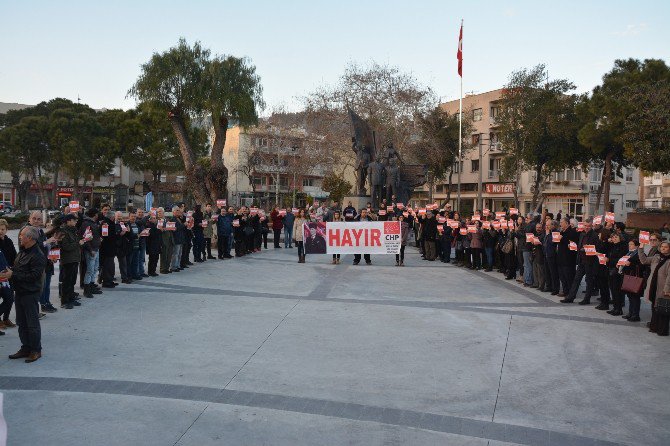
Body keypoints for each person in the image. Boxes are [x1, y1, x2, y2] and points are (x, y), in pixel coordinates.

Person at [1, 226, 47, 363]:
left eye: (22, 235)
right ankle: (25, 347)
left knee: (32, 323)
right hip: (20, 291)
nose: (19, 237)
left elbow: (34, 276)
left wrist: (13, 274)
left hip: (30, 293)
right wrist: (9, 272)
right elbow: (18, 268)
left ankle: (36, 350)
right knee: (21, 322)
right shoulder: (23, 252)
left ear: (30, 238)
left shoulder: (38, 255)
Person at [562, 218, 599, 304]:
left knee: (589, 281)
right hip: (582, 260)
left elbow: (596, 248)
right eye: (585, 226)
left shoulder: (594, 235)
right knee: (576, 279)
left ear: (592, 226)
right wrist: (575, 247)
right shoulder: (582, 234)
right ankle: (571, 297)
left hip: (590, 261)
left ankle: (587, 299)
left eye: (589, 226)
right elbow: (579, 245)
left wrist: (586, 249)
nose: (587, 227)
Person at [639, 240, 670, 336]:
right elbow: (643, 260)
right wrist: (641, 248)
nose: (663, 248)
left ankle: (662, 330)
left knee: (663, 309)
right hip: (653, 286)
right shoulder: (656, 257)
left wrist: (667, 289)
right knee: (654, 307)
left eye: (666, 247)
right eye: (662, 247)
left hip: (663, 288)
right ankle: (654, 326)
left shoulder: (669, 260)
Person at [58, 214, 85, 309]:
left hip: (74, 258)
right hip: (68, 260)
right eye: (74, 220)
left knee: (72, 280)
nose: (76, 222)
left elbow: (76, 242)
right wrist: (78, 243)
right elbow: (66, 247)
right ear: (68, 221)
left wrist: (82, 240)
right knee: (67, 281)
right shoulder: (63, 231)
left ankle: (71, 298)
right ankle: (64, 301)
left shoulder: (73, 230)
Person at [602, 232, 628, 313]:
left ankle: (618, 309)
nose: (614, 239)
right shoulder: (612, 246)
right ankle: (615, 308)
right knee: (613, 290)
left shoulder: (623, 246)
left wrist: (609, 260)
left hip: (617, 271)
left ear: (620, 238)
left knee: (617, 290)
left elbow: (620, 259)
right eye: (613, 237)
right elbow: (604, 248)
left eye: (616, 237)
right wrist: (607, 241)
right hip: (611, 269)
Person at [0, 218, 17, 331]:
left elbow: (14, 256)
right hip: (0, 275)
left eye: (2, 229)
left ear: (6, 230)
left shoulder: (9, 241)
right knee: (7, 297)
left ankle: (5, 318)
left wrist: (13, 269)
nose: (0, 231)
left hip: (9, 273)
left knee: (10, 298)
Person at [621, 239, 642, 321]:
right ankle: (630, 313)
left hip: (635, 276)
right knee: (630, 295)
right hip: (629, 275)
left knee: (635, 296)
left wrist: (631, 263)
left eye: (632, 244)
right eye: (629, 244)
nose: (630, 246)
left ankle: (635, 315)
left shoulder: (639, 253)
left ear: (637, 246)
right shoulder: (629, 253)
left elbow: (641, 264)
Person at [99, 210, 119, 287]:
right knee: (107, 265)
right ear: (111, 217)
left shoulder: (110, 223)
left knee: (110, 265)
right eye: (114, 217)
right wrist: (116, 235)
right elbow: (105, 236)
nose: (114, 218)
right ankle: (106, 281)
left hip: (110, 248)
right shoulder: (105, 224)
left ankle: (110, 280)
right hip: (107, 249)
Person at [158, 208, 174, 274]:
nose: (159, 213)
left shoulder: (167, 220)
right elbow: (159, 230)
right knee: (164, 255)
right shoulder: (157, 221)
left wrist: (173, 228)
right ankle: (162, 269)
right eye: (158, 212)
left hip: (170, 239)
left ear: (163, 213)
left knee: (169, 254)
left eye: (160, 212)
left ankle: (167, 268)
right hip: (163, 240)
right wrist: (162, 229)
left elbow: (170, 228)